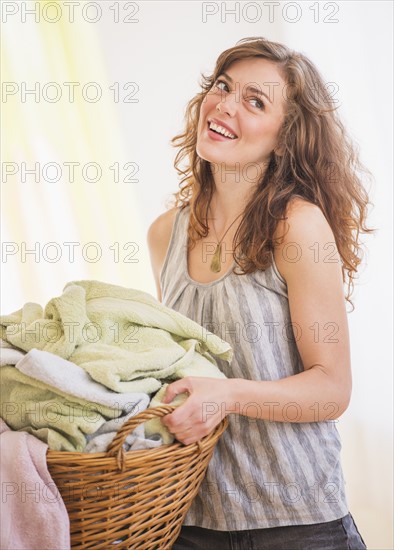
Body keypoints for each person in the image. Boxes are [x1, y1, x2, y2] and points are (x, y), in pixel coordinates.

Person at [147, 37, 371, 550]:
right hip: (189, 521)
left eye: (255, 101)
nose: (225, 104)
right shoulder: (166, 234)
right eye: (223, 86)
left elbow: (332, 389)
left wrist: (228, 397)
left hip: (297, 523)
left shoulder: (296, 228)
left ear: (284, 140)